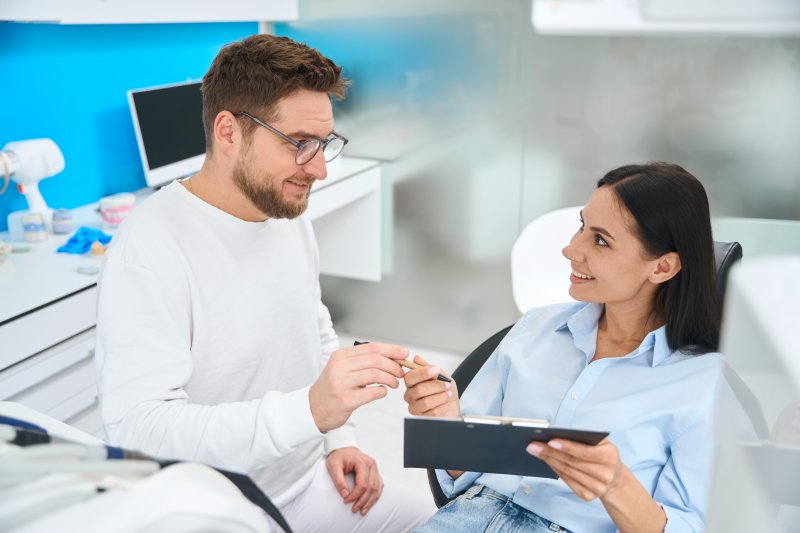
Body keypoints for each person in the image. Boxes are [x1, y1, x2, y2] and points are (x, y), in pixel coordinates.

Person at [95, 34, 434, 532]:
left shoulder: (283, 210)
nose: (317, 168)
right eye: (299, 144)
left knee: (443, 522)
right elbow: (141, 432)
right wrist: (309, 411)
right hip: (215, 505)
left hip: (304, 479)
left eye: (323, 144)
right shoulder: (150, 249)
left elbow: (311, 324)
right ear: (229, 132)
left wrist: (339, 438)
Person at [403, 163, 732, 532]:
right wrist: (445, 418)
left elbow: (690, 524)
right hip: (468, 517)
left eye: (601, 240)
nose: (570, 249)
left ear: (662, 267)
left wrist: (617, 485)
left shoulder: (704, 381)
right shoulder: (537, 328)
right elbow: (464, 474)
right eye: (581, 226)